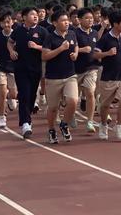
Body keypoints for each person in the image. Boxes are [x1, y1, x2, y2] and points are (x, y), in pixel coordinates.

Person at [8, 7, 48, 139]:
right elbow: (10, 42)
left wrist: (36, 47)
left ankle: (28, 114)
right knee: (24, 94)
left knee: (31, 96)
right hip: (21, 68)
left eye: (36, 15)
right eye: (32, 14)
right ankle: (25, 123)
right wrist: (11, 51)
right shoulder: (18, 30)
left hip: (35, 68)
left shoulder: (42, 31)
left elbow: (48, 48)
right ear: (24, 17)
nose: (35, 16)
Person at [42, 9, 79, 144]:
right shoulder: (50, 37)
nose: (67, 23)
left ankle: (64, 124)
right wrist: (61, 49)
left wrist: (75, 54)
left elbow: (76, 46)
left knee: (73, 101)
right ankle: (51, 129)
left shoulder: (72, 34)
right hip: (53, 77)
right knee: (53, 108)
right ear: (55, 23)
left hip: (70, 75)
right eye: (63, 21)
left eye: (67, 20)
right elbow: (44, 56)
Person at [94, 9, 121, 141]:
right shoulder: (105, 39)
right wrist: (107, 53)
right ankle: (103, 125)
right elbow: (95, 54)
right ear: (115, 24)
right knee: (105, 105)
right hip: (108, 77)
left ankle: (119, 126)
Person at [73, 7, 99, 133]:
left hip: (91, 68)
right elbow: (70, 50)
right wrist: (82, 50)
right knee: (74, 98)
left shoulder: (94, 33)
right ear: (80, 20)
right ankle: (71, 115)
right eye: (87, 18)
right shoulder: (74, 33)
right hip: (76, 70)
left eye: (91, 18)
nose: (90, 20)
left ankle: (90, 121)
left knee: (90, 92)